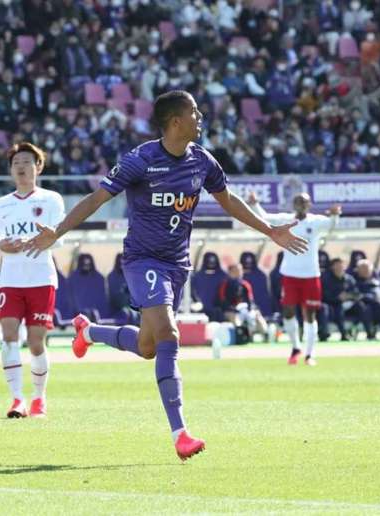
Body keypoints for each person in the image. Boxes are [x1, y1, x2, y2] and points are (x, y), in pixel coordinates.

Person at [24, 90, 307, 460]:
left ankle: (88, 332)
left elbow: (229, 201)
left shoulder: (202, 161)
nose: (200, 117)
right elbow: (98, 198)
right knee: (169, 334)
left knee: (148, 347)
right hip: (143, 261)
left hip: (177, 264)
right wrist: (58, 231)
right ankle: (181, 433)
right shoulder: (141, 160)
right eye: (194, 112)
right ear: (175, 121)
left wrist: (269, 229)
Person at [0, 142, 65, 419]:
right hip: (10, 280)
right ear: (10, 170)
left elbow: (61, 238)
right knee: (8, 337)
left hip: (41, 278)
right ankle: (16, 400)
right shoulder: (2, 204)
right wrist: (2, 246)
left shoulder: (51, 200)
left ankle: (39, 399)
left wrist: (46, 238)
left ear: (38, 167)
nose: (21, 167)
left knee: (35, 342)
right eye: (16, 163)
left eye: (26, 162)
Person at [247, 192, 340, 367]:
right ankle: (296, 348)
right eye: (298, 201)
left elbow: (331, 226)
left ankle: (310, 354)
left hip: (311, 275)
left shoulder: (316, 221)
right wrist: (254, 204)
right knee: (289, 312)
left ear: (309, 204)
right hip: (290, 274)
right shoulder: (285, 219)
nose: (301, 204)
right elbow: (264, 217)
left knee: (310, 315)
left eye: (304, 202)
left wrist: (335, 215)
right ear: (293, 204)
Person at [321, 258, 370, 341]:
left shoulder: (349, 279)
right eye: (337, 265)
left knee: (361, 306)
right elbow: (325, 296)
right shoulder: (327, 279)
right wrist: (337, 298)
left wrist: (349, 296)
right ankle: (343, 334)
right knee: (338, 309)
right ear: (332, 267)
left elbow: (356, 293)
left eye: (341, 265)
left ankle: (369, 333)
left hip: (349, 303)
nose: (340, 267)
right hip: (333, 304)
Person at [217, 263, 267, 342]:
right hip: (232, 311)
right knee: (235, 318)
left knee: (257, 315)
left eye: (240, 270)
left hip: (245, 309)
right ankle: (241, 337)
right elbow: (222, 301)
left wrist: (250, 309)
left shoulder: (245, 284)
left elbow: (251, 300)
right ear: (230, 272)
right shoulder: (224, 285)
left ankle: (266, 335)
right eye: (236, 271)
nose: (239, 273)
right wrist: (234, 309)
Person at [354, 259, 380, 340]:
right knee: (371, 308)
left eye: (367, 269)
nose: (365, 271)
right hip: (364, 304)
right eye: (363, 268)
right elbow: (356, 294)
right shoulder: (354, 281)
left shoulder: (378, 281)